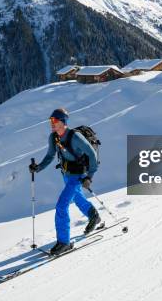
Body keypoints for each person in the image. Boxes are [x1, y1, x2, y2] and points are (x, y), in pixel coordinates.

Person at [29, 108, 101, 255]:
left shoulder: (75, 137)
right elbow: (50, 156)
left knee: (61, 206)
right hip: (66, 174)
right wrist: (38, 168)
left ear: (63, 122)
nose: (52, 123)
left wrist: (89, 176)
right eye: (51, 120)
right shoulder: (53, 137)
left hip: (78, 175)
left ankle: (64, 242)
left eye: (54, 121)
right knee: (77, 197)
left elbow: (92, 154)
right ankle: (94, 215)